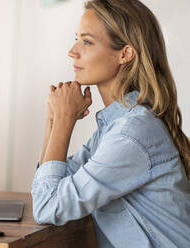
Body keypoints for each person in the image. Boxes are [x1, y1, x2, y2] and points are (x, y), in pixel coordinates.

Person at [31, 0, 190, 247]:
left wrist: (64, 121)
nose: (72, 51)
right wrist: (54, 119)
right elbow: (50, 187)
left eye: (87, 41)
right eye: (77, 39)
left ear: (125, 53)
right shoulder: (115, 127)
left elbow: (48, 205)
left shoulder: (132, 134)